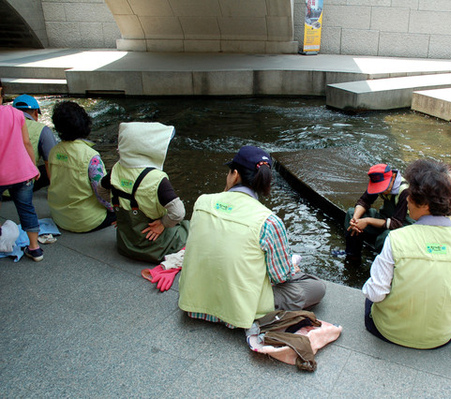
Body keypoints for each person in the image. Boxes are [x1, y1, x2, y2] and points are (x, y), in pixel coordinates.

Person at [178, 145, 326, 329]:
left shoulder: (202, 202)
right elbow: (281, 277)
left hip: (193, 303)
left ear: (235, 175)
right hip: (239, 313)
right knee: (316, 287)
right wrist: (291, 266)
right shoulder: (269, 221)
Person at [362, 159, 451, 349]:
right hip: (442, 337)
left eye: (412, 196)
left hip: (389, 331)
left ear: (425, 204)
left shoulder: (396, 239)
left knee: (370, 300)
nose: (407, 199)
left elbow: (375, 293)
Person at [100, 122, 189, 263]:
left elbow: (101, 189)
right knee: (189, 226)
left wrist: (122, 211)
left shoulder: (115, 171)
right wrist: (162, 224)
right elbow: (178, 213)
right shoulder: (157, 179)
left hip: (126, 244)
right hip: (154, 247)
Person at [47, 101, 115, 233]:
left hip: (59, 217)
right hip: (86, 221)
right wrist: (117, 208)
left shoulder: (54, 151)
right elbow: (101, 193)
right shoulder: (91, 156)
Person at [0, 79, 44, 261]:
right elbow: (26, 143)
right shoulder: (16, 114)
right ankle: (35, 249)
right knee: (27, 209)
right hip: (22, 173)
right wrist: (33, 167)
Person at [344, 163, 413, 260]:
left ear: (393, 177)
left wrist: (367, 221)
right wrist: (355, 219)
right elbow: (364, 201)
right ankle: (352, 255)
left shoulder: (405, 191)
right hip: (385, 218)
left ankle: (381, 262)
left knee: (386, 237)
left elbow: (396, 223)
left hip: (403, 225)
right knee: (351, 213)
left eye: (383, 187)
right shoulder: (377, 181)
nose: (381, 191)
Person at [12, 94, 57, 190]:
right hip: (22, 185)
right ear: (36, 112)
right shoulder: (42, 130)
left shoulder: (3, 123)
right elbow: (51, 162)